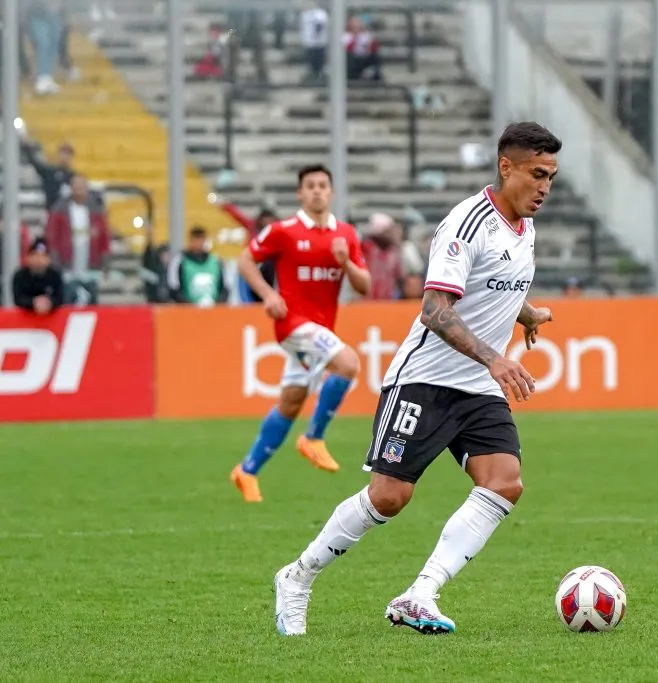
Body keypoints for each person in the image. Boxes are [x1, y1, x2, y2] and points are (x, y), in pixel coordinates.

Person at [272, 121, 560, 637]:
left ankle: (420, 593)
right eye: (537, 175)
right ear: (505, 166)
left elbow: (491, 287)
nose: (545, 188)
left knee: (504, 483)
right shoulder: (466, 224)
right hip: (424, 382)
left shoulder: (526, 228)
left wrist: (526, 313)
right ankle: (297, 577)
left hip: (476, 388)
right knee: (388, 498)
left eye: (552, 178)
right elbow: (434, 309)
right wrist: (496, 358)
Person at [230, 164, 371, 503]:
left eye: (323, 185)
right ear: (300, 193)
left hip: (321, 328)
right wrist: (268, 294)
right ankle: (314, 437)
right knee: (348, 364)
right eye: (310, 186)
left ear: (332, 192)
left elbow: (364, 286)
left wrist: (346, 263)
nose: (317, 191)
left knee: (290, 403)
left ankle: (247, 471)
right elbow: (245, 261)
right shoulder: (284, 231)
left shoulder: (346, 235)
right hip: (292, 323)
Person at [167, 226, 229, 306]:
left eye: (201, 238)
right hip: (187, 312)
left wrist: (217, 304)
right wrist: (189, 305)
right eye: (196, 239)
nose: (199, 242)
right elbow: (174, 287)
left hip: (213, 311)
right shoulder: (180, 261)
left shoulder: (216, 261)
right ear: (191, 240)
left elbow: (225, 288)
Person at [13, 238, 64, 315]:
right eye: (35, 255)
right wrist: (33, 302)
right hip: (25, 318)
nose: (39, 259)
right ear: (28, 257)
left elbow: (60, 297)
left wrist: (48, 303)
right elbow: (18, 298)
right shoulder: (20, 276)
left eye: (43, 256)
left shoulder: (55, 276)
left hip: (51, 318)